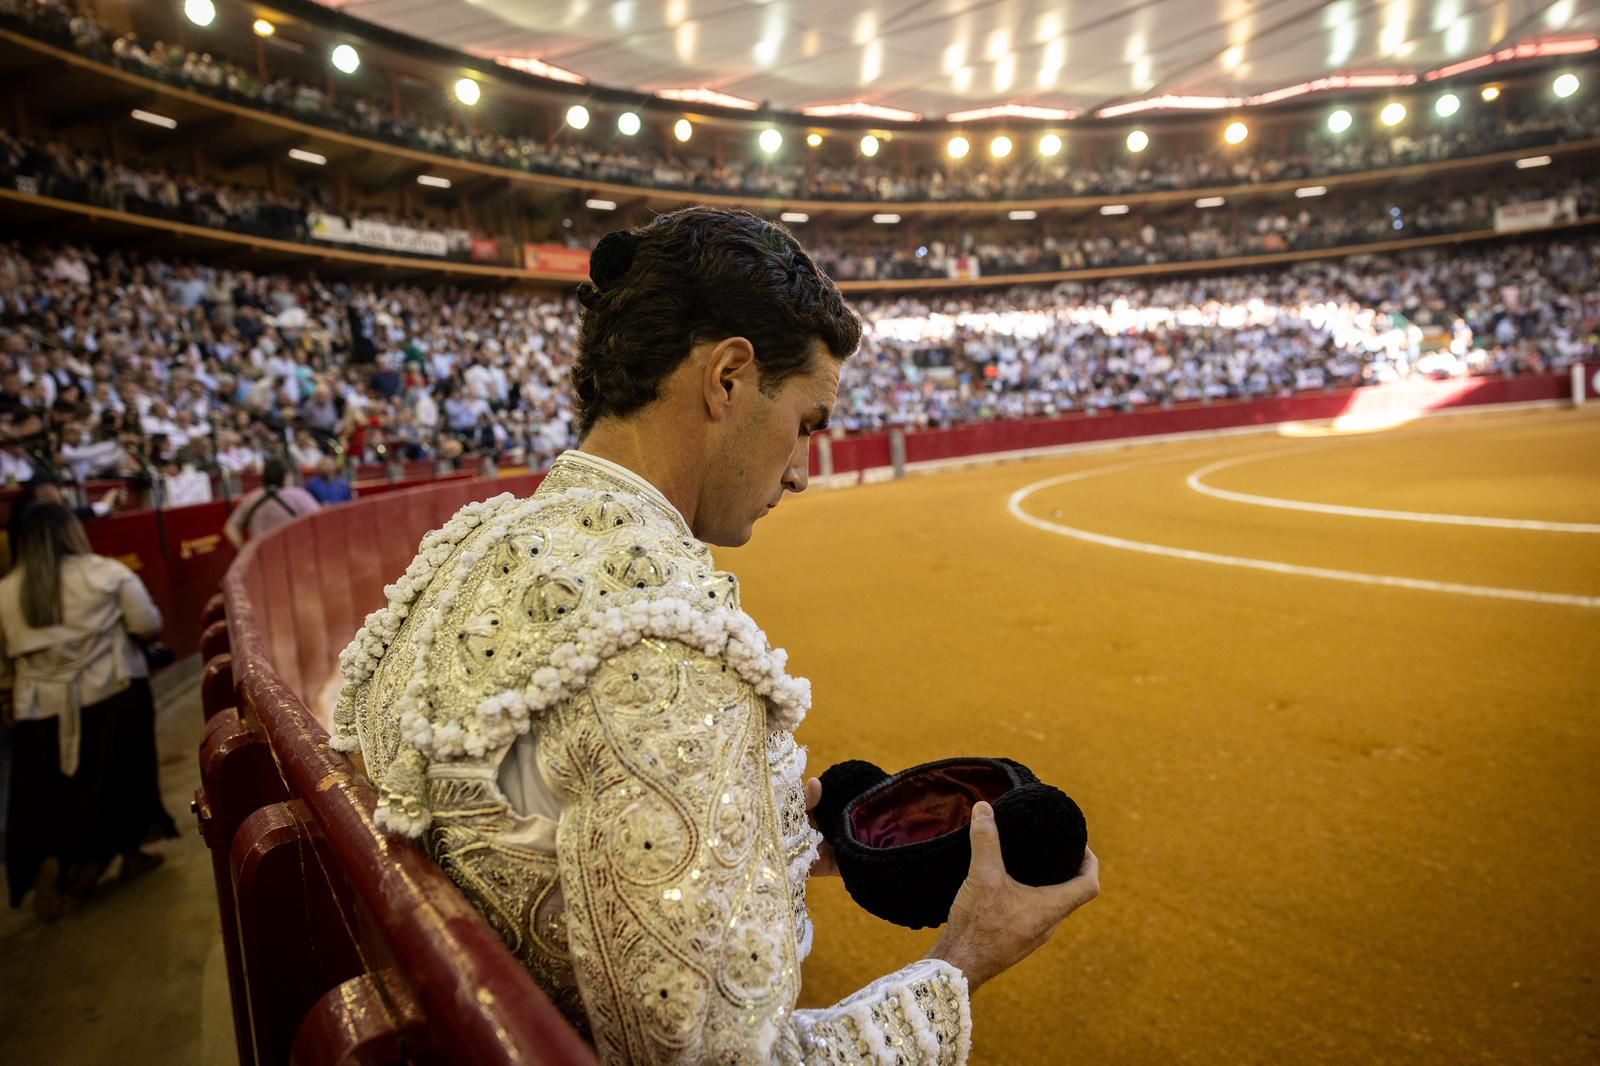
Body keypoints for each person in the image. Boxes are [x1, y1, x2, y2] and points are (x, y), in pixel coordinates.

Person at [333, 207, 1099, 1063]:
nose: (805, 471)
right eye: (807, 422)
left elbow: (539, 819)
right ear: (728, 377)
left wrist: (763, 832)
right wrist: (962, 962)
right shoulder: (671, 651)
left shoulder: (470, 548)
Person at [0, 503, 175, 920]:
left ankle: (56, 859)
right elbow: (147, 625)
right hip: (111, 696)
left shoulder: (5, 592)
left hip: (38, 709)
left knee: (54, 795)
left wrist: (10, 698)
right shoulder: (106, 574)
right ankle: (122, 854)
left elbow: (4, 664)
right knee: (122, 779)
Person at [222, 457, 319, 549]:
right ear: (286, 476)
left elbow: (230, 528)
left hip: (261, 556)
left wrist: (243, 549)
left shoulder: (251, 498)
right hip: (294, 552)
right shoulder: (299, 495)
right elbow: (318, 522)